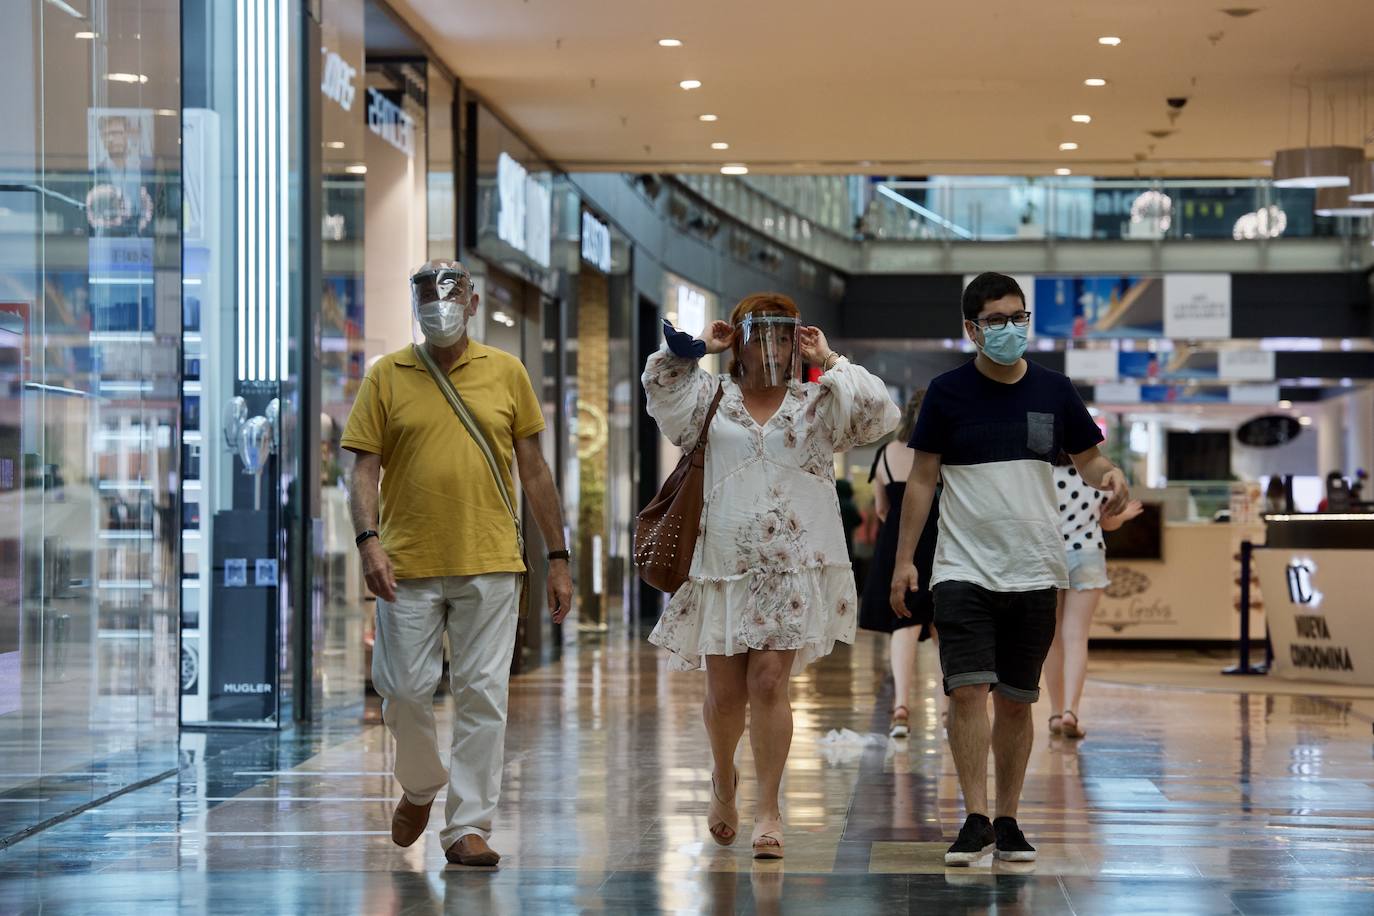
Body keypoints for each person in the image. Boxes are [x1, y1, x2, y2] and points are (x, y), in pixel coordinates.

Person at [642, 292, 898, 859]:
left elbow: (881, 413)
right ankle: (722, 778)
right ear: (740, 341)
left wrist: (831, 361)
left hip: (791, 566)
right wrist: (700, 350)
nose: (773, 347)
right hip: (720, 564)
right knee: (725, 695)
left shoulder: (817, 402)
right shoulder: (711, 397)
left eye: (784, 336)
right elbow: (659, 384)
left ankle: (769, 806)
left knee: (768, 684)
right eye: (761, 334)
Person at [889, 272, 1129, 866]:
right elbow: (921, 481)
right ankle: (974, 819)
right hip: (961, 566)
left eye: (1017, 317)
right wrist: (903, 563)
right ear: (972, 329)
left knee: (1019, 701)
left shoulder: (1054, 389)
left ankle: (1008, 819)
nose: (1010, 329)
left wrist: (1112, 478)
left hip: (1034, 567)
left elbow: (1090, 458)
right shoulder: (946, 393)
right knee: (967, 691)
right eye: (996, 320)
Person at [342, 259, 573, 868]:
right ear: (415, 308)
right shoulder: (386, 376)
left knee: (482, 696)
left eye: (450, 297)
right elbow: (362, 466)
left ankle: (467, 827)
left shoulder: (507, 373)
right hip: (405, 563)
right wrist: (367, 539)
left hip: (491, 559)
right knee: (403, 690)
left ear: (472, 304)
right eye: (427, 299)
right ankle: (420, 784)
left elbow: (534, 470)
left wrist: (558, 556)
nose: (440, 308)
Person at [1042, 452, 1143, 740]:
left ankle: (1054, 712)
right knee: (1076, 637)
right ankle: (1072, 712)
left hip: (1049, 554)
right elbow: (1108, 522)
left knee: (1052, 639)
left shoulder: (1043, 471)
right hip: (1086, 554)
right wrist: (1123, 517)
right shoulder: (1095, 473)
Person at [858, 391, 941, 739]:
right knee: (943, 625)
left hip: (898, 544)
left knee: (902, 623)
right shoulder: (941, 454)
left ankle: (901, 708)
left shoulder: (886, 454)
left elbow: (881, 509)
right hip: (937, 538)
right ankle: (952, 707)